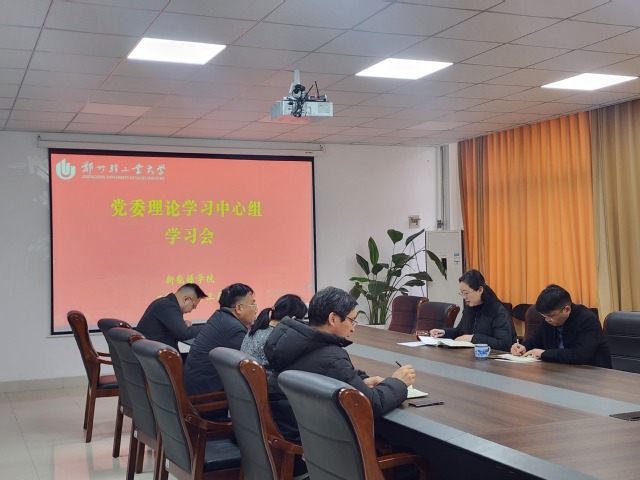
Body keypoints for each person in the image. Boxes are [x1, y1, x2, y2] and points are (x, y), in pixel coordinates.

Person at [264, 286, 415, 443]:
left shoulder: (296, 340)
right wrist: (398, 382)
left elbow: (325, 373)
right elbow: (370, 405)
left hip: (291, 427)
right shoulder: (331, 357)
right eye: (351, 320)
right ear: (333, 319)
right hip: (314, 442)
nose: (353, 328)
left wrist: (360, 382)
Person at [183, 283, 257, 404]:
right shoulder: (234, 329)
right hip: (207, 401)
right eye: (252, 304)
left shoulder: (220, 318)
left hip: (195, 392)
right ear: (239, 308)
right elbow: (254, 365)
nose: (255, 309)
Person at [511, 284, 612, 368]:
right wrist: (523, 347)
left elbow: (580, 355)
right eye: (544, 316)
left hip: (591, 375)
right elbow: (536, 340)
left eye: (551, 316)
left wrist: (543, 354)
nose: (547, 320)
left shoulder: (587, 319)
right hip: (559, 370)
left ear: (567, 310)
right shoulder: (549, 319)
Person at [430, 269, 516, 351]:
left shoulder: (497, 311)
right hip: (472, 355)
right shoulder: (469, 307)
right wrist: (444, 332)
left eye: (466, 293)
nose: (464, 297)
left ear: (480, 290)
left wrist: (473, 338)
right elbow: (460, 331)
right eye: (462, 293)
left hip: (493, 358)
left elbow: (504, 344)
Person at [240, 294, 308, 373]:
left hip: (247, 378)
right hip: (265, 379)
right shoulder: (278, 339)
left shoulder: (255, 329)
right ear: (293, 320)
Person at [136, 283, 207, 350]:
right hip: (155, 355)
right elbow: (184, 333)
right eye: (193, 306)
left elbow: (179, 331)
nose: (191, 310)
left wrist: (182, 325)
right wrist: (208, 327)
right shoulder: (168, 306)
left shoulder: (165, 303)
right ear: (186, 299)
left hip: (152, 352)